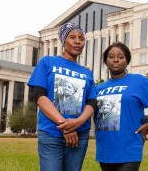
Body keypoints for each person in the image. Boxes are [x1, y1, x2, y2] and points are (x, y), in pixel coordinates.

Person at [28, 22, 97, 171]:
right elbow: (39, 96)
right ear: (63, 40)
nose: (78, 41)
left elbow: (92, 103)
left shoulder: (87, 72)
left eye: (81, 38)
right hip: (51, 132)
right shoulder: (47, 62)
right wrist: (66, 127)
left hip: (80, 135)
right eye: (72, 37)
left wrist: (77, 123)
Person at [94, 42, 148, 171]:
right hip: (105, 149)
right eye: (111, 57)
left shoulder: (138, 81)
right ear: (105, 61)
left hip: (129, 148)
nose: (116, 60)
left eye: (121, 57)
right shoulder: (98, 88)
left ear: (127, 60)